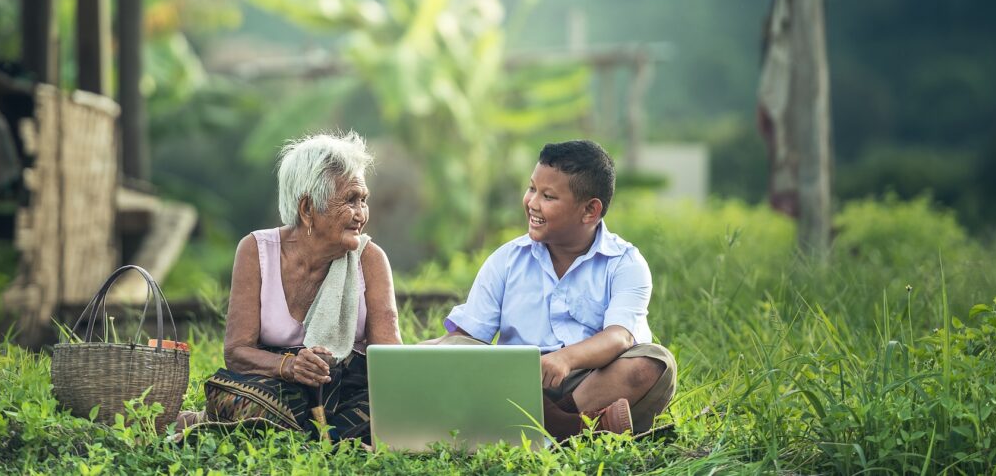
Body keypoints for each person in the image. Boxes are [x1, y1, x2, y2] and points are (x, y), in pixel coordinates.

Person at [425, 140, 676, 439]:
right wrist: (411, 355)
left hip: (589, 383)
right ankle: (573, 429)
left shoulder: (624, 263)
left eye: (548, 196)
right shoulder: (506, 260)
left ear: (590, 211)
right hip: (513, 381)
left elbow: (620, 336)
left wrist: (566, 359)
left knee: (654, 364)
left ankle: (535, 425)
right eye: (532, 189)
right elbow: (467, 337)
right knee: (456, 350)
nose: (532, 203)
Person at [180, 131, 402, 443]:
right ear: (308, 209)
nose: (361, 215)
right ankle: (327, 438)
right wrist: (291, 365)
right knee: (250, 402)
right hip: (278, 388)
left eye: (363, 200)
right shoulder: (256, 251)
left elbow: (391, 364)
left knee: (387, 409)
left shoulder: (371, 259)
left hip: (348, 391)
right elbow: (237, 352)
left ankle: (303, 436)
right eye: (350, 200)